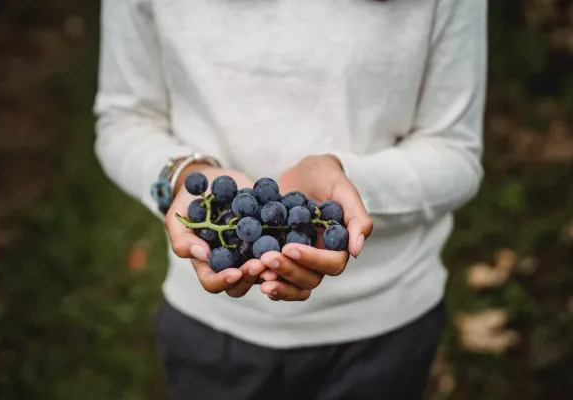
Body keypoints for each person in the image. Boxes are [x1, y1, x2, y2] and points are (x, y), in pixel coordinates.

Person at [94, 0, 486, 398]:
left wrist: (349, 182)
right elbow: (124, 121)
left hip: (383, 329)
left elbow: (456, 153)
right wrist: (180, 175)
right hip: (211, 328)